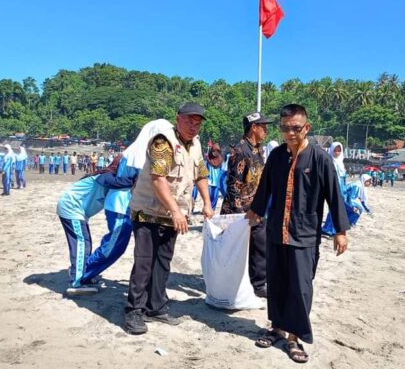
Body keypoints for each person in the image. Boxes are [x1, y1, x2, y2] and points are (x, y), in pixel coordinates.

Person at [247, 104, 349, 364]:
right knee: (277, 281)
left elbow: (334, 196)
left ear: (306, 128)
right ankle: (278, 328)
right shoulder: (277, 156)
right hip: (276, 232)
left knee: (300, 287)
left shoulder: (319, 159)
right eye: (285, 128)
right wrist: (256, 211)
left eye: (295, 128)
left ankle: (294, 337)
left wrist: (340, 230)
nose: (290, 133)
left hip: (304, 234)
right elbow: (265, 188)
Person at [123, 103, 214, 335]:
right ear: (178, 119)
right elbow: (158, 179)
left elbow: (201, 173)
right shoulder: (163, 141)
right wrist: (175, 211)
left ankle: (156, 307)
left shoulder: (195, 144)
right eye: (189, 121)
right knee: (144, 261)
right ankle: (134, 310)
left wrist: (207, 203)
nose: (194, 126)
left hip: (172, 213)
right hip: (148, 211)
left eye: (198, 122)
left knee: (163, 261)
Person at [56, 159, 136, 296]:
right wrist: (134, 180)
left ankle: (81, 274)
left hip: (74, 210)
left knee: (85, 243)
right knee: (81, 244)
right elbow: (114, 182)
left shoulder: (104, 175)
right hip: (71, 209)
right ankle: (76, 282)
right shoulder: (104, 176)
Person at [221, 111, 273, 298]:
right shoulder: (241, 151)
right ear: (253, 127)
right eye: (263, 126)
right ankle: (251, 283)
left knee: (260, 244)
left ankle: (258, 283)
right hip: (240, 210)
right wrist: (239, 213)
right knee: (236, 249)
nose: (266, 130)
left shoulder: (257, 149)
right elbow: (233, 184)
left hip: (255, 207)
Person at [321, 141, 347, 235]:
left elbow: (343, 177)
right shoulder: (329, 162)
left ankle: (331, 228)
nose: (337, 152)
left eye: (339, 150)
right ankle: (328, 228)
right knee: (333, 208)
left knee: (337, 209)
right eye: (335, 150)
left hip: (341, 188)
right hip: (331, 188)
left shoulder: (341, 163)